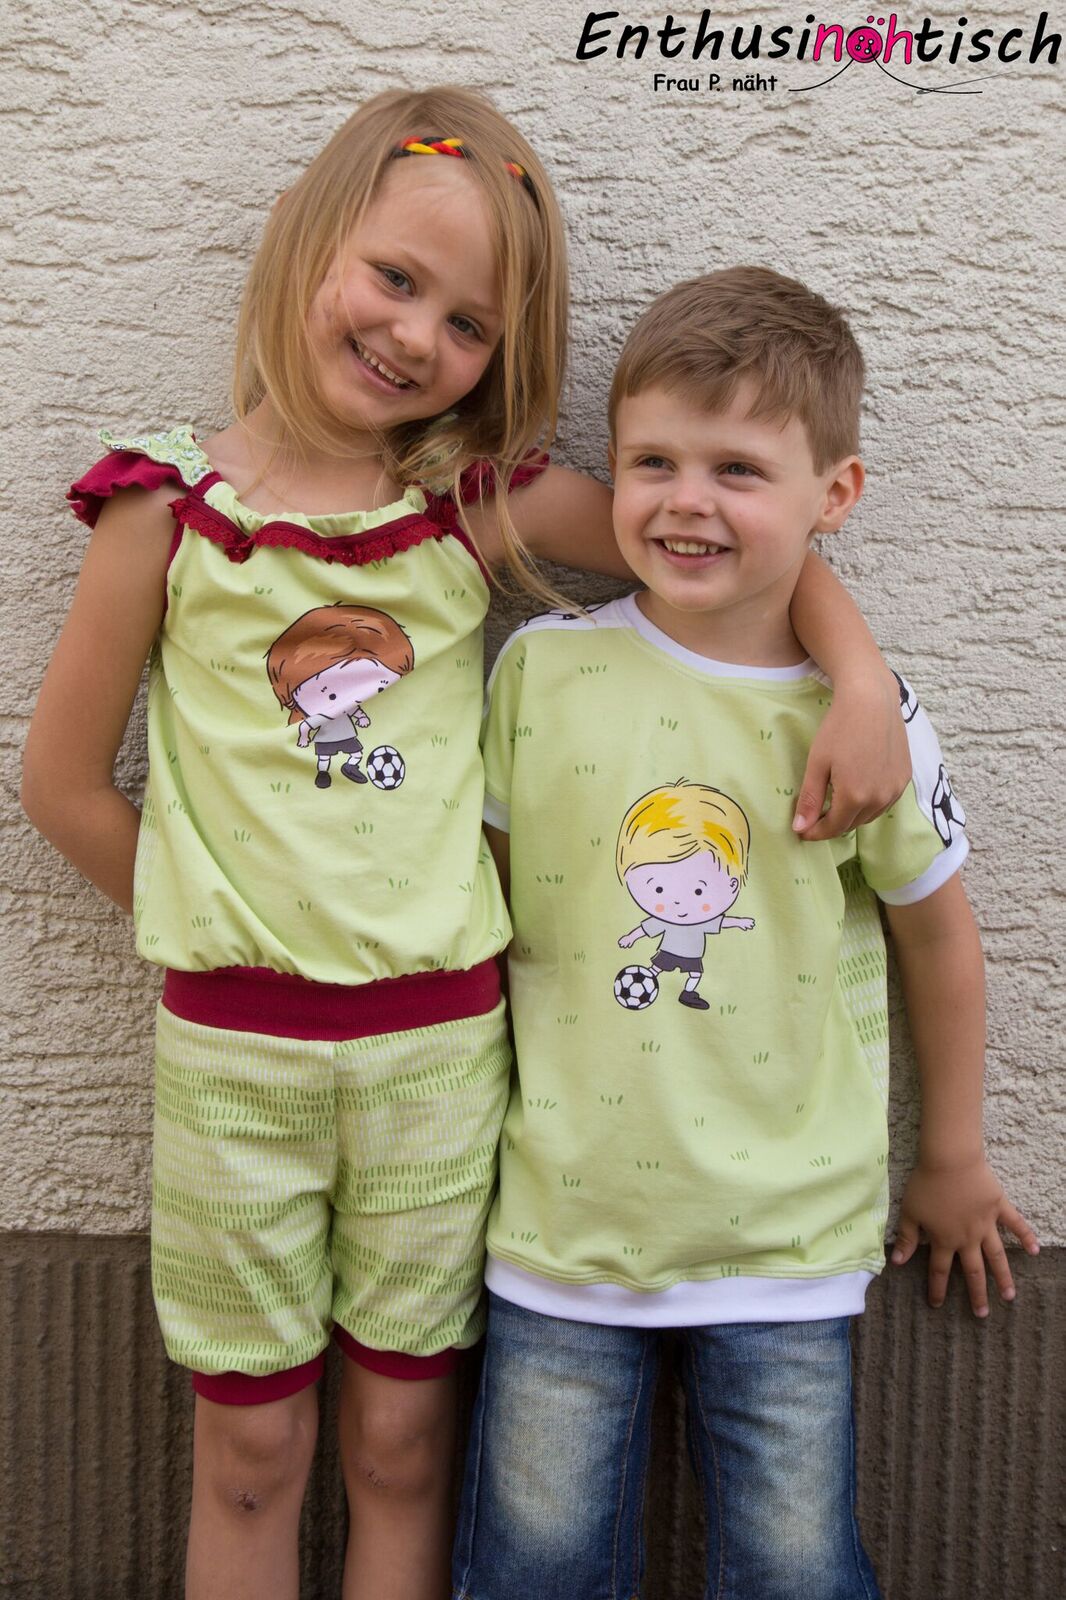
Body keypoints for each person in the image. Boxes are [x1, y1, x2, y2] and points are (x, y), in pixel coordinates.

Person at [21, 83, 907, 1599]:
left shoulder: (467, 508)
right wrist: (226, 918)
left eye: (470, 325)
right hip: (231, 1060)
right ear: (308, 242)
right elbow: (60, 784)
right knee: (248, 1451)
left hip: (440, 1059)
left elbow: (704, 538)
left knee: (401, 1446)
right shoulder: (166, 511)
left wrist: (863, 679)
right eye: (394, 277)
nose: (417, 335)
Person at [456, 266, 1040, 1600]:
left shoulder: (864, 722)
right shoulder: (543, 672)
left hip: (787, 1240)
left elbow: (938, 940)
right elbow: (485, 914)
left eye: (737, 468)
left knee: (793, 1573)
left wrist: (951, 1155)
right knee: (534, 1572)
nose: (687, 500)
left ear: (835, 494)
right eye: (652, 461)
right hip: (558, 1226)